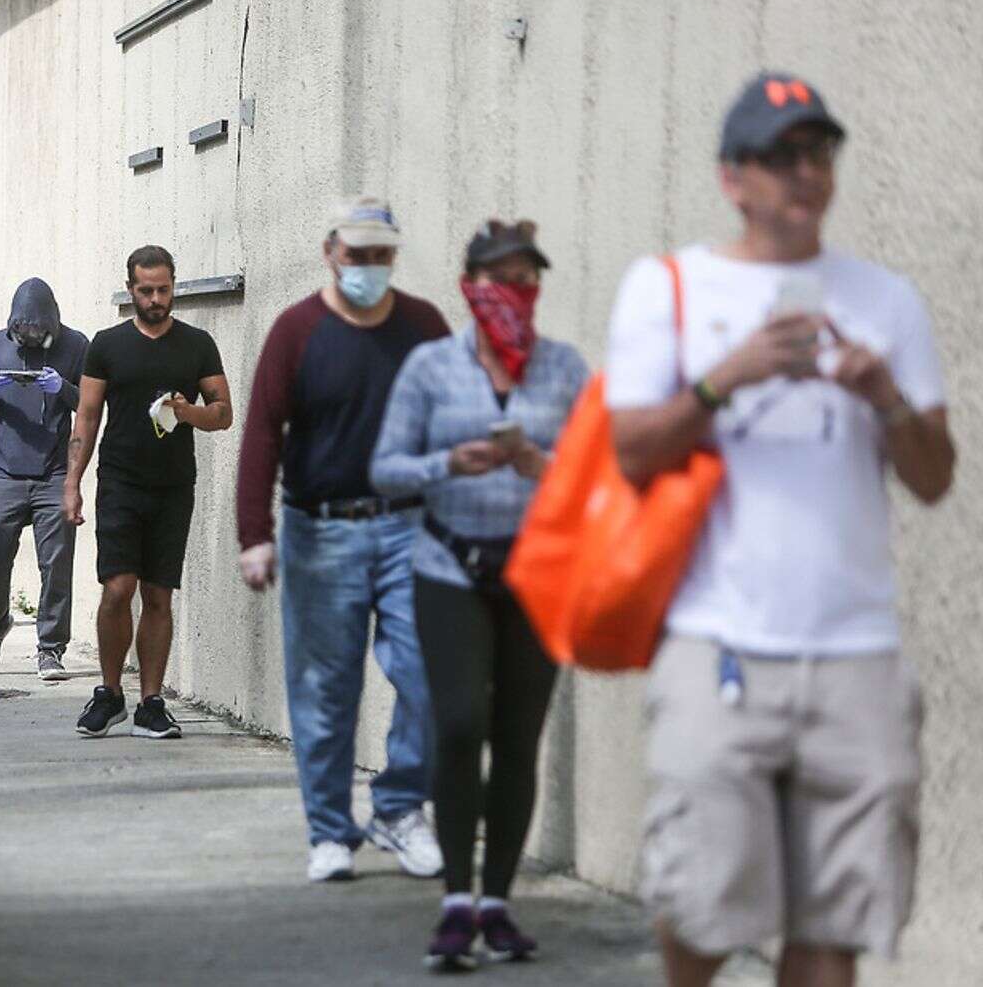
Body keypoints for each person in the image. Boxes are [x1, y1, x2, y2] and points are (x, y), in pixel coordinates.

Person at [605, 73, 954, 987]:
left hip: (858, 655)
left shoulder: (887, 301)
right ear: (733, 176)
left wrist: (885, 399)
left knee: (833, 926)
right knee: (701, 907)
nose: (807, 174)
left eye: (820, 153)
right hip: (719, 643)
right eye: (783, 156)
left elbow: (934, 476)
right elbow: (630, 452)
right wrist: (730, 375)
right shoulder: (671, 287)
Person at [372, 219, 589, 966]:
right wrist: (446, 466)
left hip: (538, 571)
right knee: (460, 720)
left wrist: (540, 462)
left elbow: (599, 476)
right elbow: (386, 469)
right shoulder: (433, 367)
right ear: (472, 286)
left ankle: (497, 900)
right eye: (502, 278)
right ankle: (455, 900)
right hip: (449, 566)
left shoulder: (564, 369)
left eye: (529, 279)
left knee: (518, 734)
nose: (516, 293)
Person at [237, 197, 449, 884]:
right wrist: (255, 535)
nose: (369, 266)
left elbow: (455, 418)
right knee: (326, 691)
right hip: (320, 532)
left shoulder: (423, 327)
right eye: (356, 254)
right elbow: (263, 435)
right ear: (330, 251)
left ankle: (398, 808)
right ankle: (330, 831)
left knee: (429, 672)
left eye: (381, 254)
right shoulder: (296, 331)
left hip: (410, 526)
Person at [64, 246, 233, 739]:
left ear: (174, 286)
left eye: (164, 290)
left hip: (173, 486)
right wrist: (72, 484)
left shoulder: (196, 345)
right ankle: (110, 693)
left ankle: (151, 702)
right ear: (131, 289)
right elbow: (87, 417)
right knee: (118, 588)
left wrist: (188, 412)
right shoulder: (107, 345)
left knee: (159, 594)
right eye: (146, 290)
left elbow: (222, 413)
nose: (157, 299)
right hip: (120, 481)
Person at [0, 278, 88, 681]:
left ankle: (51, 648)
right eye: (22, 331)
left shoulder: (75, 345)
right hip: (5, 468)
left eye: (37, 331)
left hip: (54, 470)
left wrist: (64, 389)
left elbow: (89, 405)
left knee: (56, 560)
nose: (29, 337)